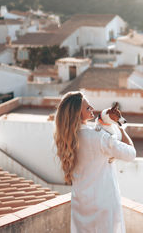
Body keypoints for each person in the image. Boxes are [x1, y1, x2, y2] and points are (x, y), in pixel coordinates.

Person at [54, 91, 136, 233]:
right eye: (87, 107)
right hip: (104, 204)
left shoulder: (67, 140)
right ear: (77, 114)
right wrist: (122, 130)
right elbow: (131, 154)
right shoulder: (100, 138)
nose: (92, 107)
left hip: (81, 204)